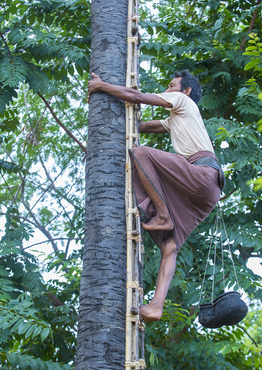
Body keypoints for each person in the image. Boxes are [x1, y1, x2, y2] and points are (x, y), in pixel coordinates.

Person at [88, 69, 224, 322]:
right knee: (169, 247)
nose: (168, 89)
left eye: (172, 86)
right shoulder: (177, 118)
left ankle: (163, 215)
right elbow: (140, 126)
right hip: (207, 190)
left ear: (186, 91)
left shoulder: (183, 102)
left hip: (202, 173)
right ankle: (155, 307)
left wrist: (101, 85)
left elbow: (134, 96)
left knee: (141, 153)